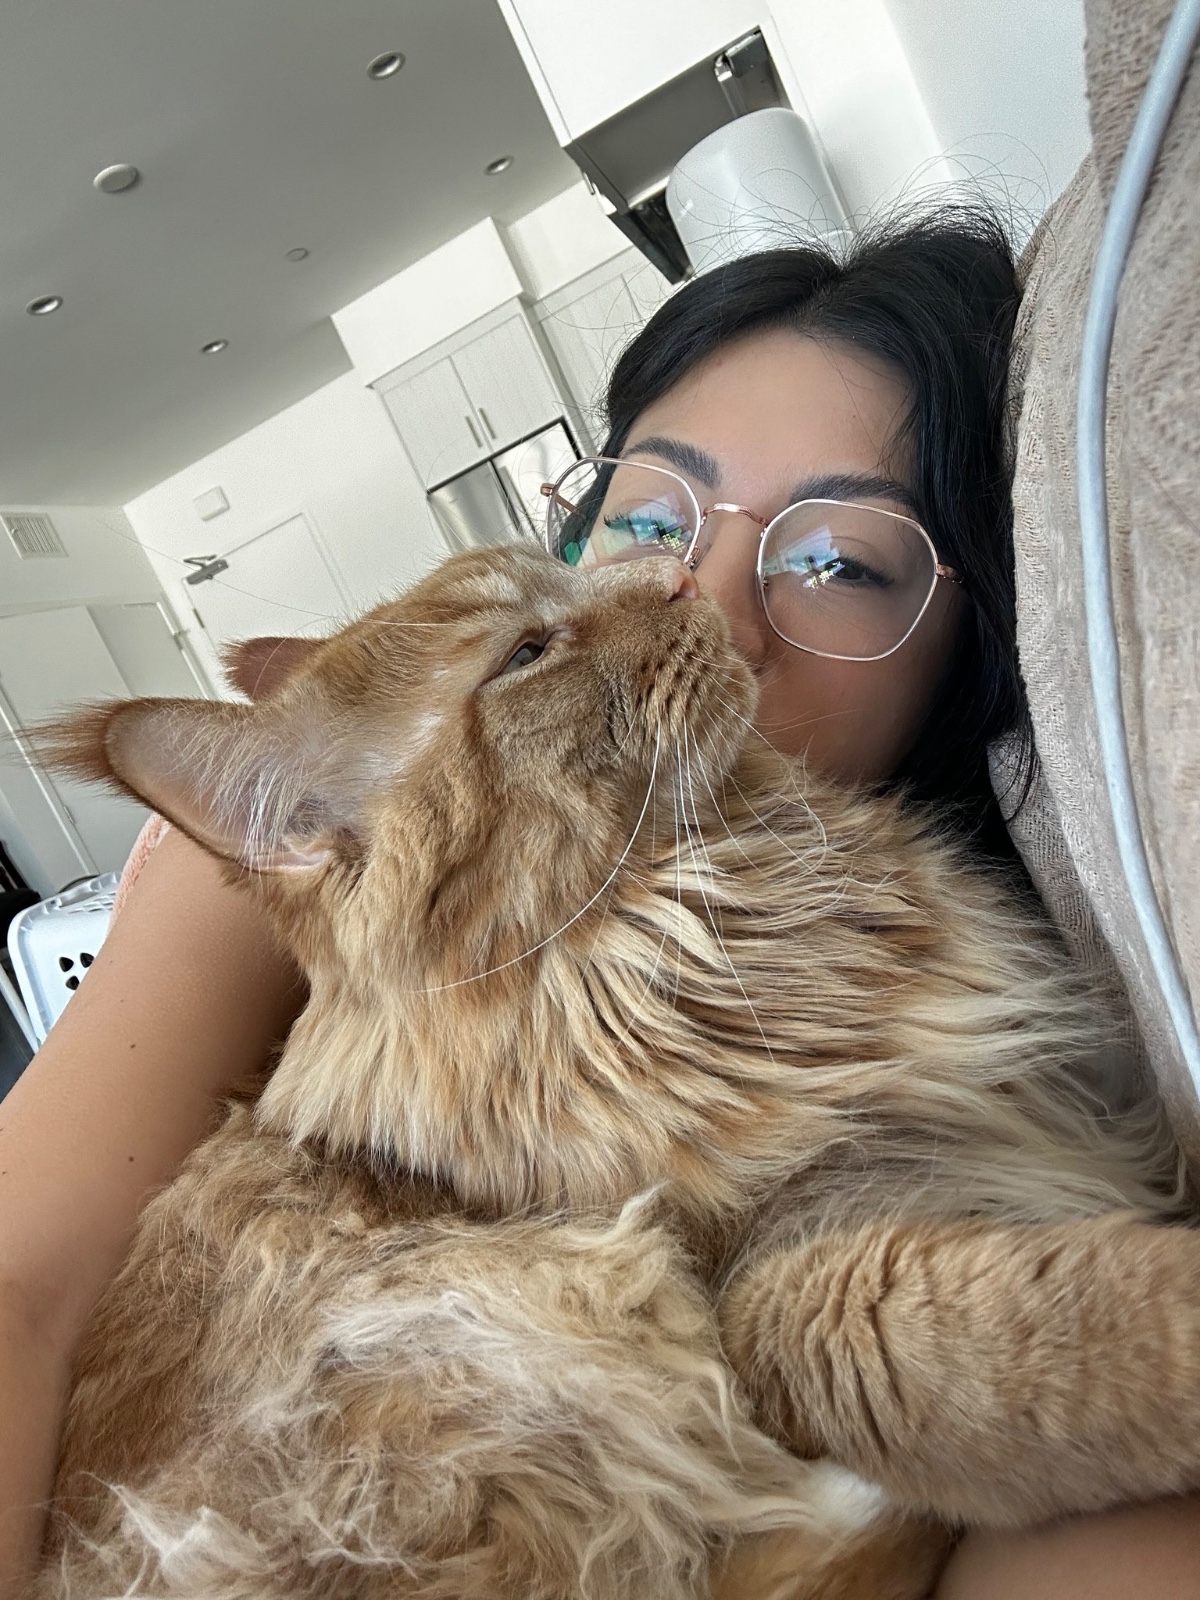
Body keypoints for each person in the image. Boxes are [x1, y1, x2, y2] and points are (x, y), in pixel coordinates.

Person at [1, 213, 1197, 1599]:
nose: (689, 592)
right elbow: (21, 1288)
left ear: (970, 649)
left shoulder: (1022, 890)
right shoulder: (332, 882)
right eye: (648, 518)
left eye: (837, 561)